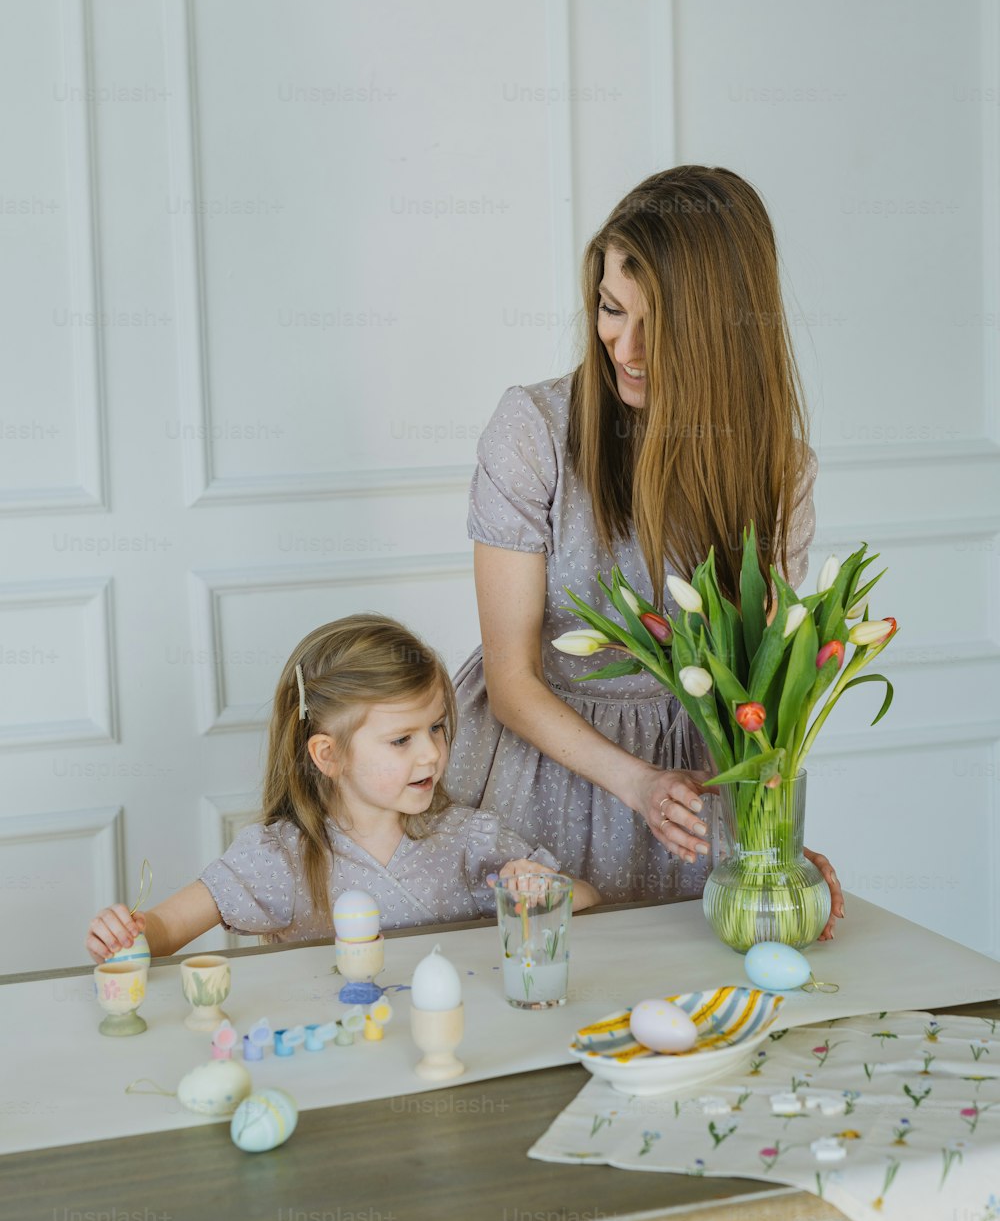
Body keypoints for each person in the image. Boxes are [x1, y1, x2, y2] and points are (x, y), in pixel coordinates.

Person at [445, 164, 844, 936]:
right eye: (608, 308)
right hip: (543, 779)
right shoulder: (533, 434)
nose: (623, 347)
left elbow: (755, 697)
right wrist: (638, 784)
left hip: (692, 799)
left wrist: (777, 851)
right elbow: (510, 679)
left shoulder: (778, 471)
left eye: (654, 322)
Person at [86, 615, 599, 961]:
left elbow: (588, 899)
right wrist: (127, 934)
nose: (431, 754)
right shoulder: (283, 859)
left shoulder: (469, 840)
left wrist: (542, 892)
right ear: (329, 755)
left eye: (437, 728)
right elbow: (165, 930)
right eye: (401, 740)